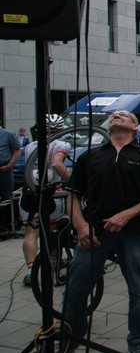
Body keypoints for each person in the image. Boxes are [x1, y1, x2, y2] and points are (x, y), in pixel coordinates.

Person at [62, 110, 140, 353]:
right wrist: (80, 226)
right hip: (94, 233)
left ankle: (137, 342)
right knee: (75, 289)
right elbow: (73, 195)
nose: (116, 115)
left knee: (139, 290)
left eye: (123, 115)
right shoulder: (91, 156)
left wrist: (127, 214)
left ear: (135, 127)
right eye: (113, 115)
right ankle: (71, 340)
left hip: (134, 234)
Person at [20, 114, 71, 286]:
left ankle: (31, 271)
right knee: (52, 232)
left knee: (30, 233)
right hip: (52, 192)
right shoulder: (62, 145)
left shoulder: (30, 146)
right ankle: (53, 265)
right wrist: (72, 180)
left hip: (30, 191)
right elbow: (57, 164)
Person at [0, 124, 21, 204]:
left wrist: (9, 166)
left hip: (4, 169)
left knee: (7, 197)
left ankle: (7, 211)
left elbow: (17, 151)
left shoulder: (8, 134)